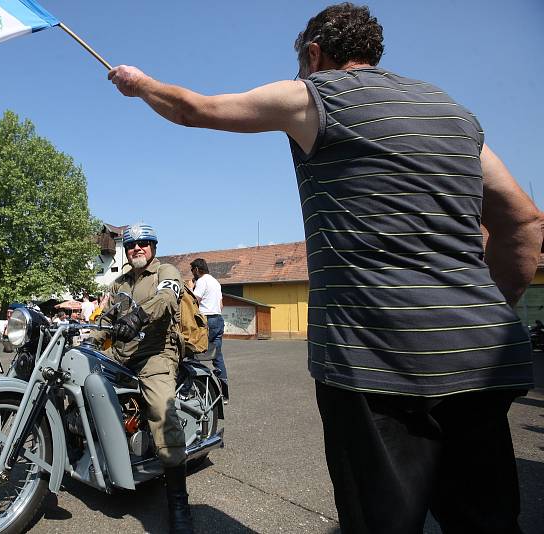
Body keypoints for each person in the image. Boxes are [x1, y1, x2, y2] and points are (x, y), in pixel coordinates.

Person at [107, 4, 542, 532]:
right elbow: (523, 222)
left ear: (315, 54)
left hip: (374, 360)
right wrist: (486, 309)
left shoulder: (316, 94)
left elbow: (195, 109)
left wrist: (138, 82)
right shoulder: (452, 112)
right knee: (486, 521)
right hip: (481, 354)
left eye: (300, 64)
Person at [90, 223, 194, 533]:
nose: (138, 247)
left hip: (156, 355)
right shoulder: (119, 283)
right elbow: (106, 320)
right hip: (121, 354)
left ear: (154, 247)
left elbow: (167, 300)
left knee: (162, 412)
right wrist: (88, 342)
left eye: (145, 242)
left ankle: (178, 503)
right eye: (132, 243)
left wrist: (139, 316)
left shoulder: (167, 272)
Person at [189, 258, 227, 400]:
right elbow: (221, 305)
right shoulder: (215, 282)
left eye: (192, 270)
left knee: (193, 353)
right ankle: (224, 395)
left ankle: (194, 390)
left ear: (197, 269)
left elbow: (194, 302)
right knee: (217, 356)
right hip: (218, 319)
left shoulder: (201, 281)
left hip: (206, 321)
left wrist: (190, 287)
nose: (192, 273)